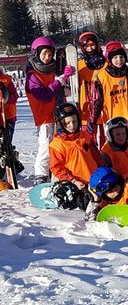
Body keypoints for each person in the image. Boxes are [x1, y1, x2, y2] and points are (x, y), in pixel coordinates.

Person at [26, 36, 74, 184]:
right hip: (44, 116)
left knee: (61, 144)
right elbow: (44, 95)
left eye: (49, 54)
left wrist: (67, 80)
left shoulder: (53, 70)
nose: (47, 58)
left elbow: (65, 92)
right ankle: (40, 174)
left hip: (59, 113)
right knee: (46, 145)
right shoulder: (32, 75)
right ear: (37, 54)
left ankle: (59, 170)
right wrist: (57, 82)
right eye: (44, 54)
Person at [49, 103, 103, 190]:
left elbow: (97, 157)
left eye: (74, 121)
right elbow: (57, 168)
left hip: (94, 181)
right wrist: (72, 180)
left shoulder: (85, 137)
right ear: (60, 124)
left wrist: (103, 171)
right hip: (76, 184)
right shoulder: (57, 145)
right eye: (67, 123)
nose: (72, 125)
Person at [77, 32, 107, 145]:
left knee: (106, 142)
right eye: (87, 46)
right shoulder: (80, 65)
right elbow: (73, 88)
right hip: (87, 110)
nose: (90, 48)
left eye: (92, 45)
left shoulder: (106, 64)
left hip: (104, 110)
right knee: (89, 142)